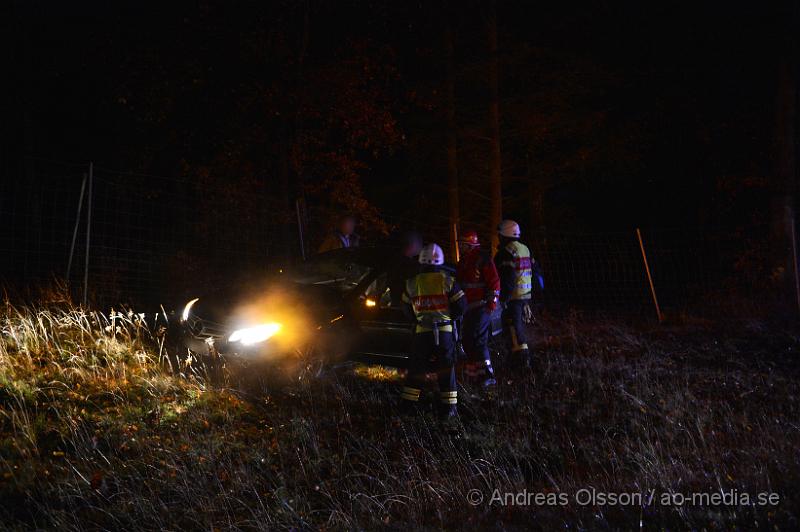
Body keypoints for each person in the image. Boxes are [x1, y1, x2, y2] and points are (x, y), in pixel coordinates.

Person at [400, 243, 467, 419]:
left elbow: (405, 309)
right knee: (446, 369)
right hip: (444, 333)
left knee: (417, 369)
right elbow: (461, 306)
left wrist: (417, 320)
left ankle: (408, 406)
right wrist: (450, 318)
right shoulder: (448, 281)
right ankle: (449, 409)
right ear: (440, 262)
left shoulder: (412, 283)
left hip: (422, 332)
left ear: (421, 262)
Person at [494, 220, 543, 369]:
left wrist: (503, 298)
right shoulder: (525, 249)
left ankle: (521, 362)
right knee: (517, 327)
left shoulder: (505, 253)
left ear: (503, 235)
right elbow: (537, 274)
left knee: (512, 327)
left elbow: (507, 278)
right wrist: (537, 294)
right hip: (525, 296)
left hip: (513, 297)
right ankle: (518, 359)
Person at [455, 230, 500, 387]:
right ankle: (475, 375)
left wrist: (491, 304)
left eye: (462, 244)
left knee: (479, 342)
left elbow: (494, 282)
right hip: (468, 309)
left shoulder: (482, 258)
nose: (460, 247)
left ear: (470, 244)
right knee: (468, 342)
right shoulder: (463, 262)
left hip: (481, 307)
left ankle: (488, 376)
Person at [388, 230, 423, 307]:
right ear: (413, 245)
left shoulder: (393, 262)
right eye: (420, 242)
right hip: (406, 310)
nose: (422, 246)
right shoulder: (413, 267)